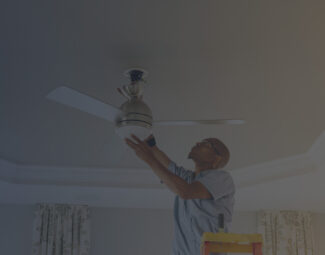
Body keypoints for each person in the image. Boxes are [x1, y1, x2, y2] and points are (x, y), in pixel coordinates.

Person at [125, 134, 235, 255]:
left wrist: (149, 159)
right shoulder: (188, 178)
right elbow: (169, 167)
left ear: (217, 158)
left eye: (207, 144)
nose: (198, 143)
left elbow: (186, 191)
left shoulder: (222, 178)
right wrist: (151, 145)